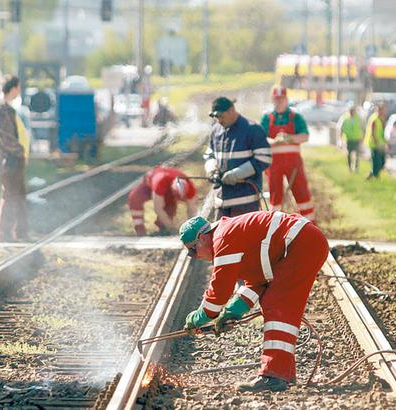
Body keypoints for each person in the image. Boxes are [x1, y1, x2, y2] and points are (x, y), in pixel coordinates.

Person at [179, 211, 329, 392]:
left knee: (277, 304)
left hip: (302, 243)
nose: (194, 256)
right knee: (275, 302)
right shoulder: (227, 235)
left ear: (202, 237)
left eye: (192, 249)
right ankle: (283, 373)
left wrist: (198, 318)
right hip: (304, 242)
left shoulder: (223, 239)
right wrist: (232, 311)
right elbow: (257, 280)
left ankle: (273, 375)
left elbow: (218, 293)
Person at [204, 97, 271, 219]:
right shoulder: (216, 131)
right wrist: (211, 169)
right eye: (216, 118)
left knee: (244, 238)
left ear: (231, 111)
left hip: (245, 203)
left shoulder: (252, 129)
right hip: (221, 202)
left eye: (221, 116)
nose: (219, 121)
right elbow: (210, 155)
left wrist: (236, 174)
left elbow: (264, 159)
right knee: (220, 237)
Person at [260, 86, 315, 221]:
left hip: (293, 164)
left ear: (286, 99)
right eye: (276, 99)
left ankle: (309, 225)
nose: (279, 102)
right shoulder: (267, 118)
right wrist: (274, 141)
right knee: (275, 198)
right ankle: (275, 228)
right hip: (274, 165)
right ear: (272, 100)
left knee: (302, 194)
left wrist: (291, 138)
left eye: (282, 99)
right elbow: (261, 139)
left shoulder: (295, 117)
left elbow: (305, 136)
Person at [0, 75, 28, 242]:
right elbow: (7, 138)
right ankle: (4, 234)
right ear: (13, 88)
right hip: (10, 160)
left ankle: (19, 232)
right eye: (19, 87)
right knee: (11, 197)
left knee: (18, 197)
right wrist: (20, 151)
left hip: (13, 160)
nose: (20, 91)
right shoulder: (3, 111)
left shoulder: (5, 109)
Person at [127, 166, 198, 235]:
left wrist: (192, 229)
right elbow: (158, 209)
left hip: (168, 191)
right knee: (135, 197)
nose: (178, 200)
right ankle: (140, 231)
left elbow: (192, 209)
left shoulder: (190, 188)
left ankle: (163, 229)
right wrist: (172, 228)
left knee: (169, 210)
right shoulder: (160, 182)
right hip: (149, 186)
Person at [338, 104, 364, 173]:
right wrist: (340, 140)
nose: (352, 112)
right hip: (349, 139)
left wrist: (362, 138)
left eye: (353, 111)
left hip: (356, 139)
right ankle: (350, 168)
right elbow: (342, 129)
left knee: (357, 155)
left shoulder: (358, 119)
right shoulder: (346, 119)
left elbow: (362, 129)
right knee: (349, 154)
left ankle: (356, 169)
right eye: (351, 111)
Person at [365, 104, 387, 179]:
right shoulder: (374, 119)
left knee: (382, 162)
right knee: (376, 161)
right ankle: (375, 176)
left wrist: (386, 142)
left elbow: (382, 132)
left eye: (382, 110)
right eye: (379, 110)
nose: (381, 112)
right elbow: (372, 133)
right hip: (374, 144)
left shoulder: (382, 119)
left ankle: (372, 173)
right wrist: (376, 142)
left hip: (381, 143)